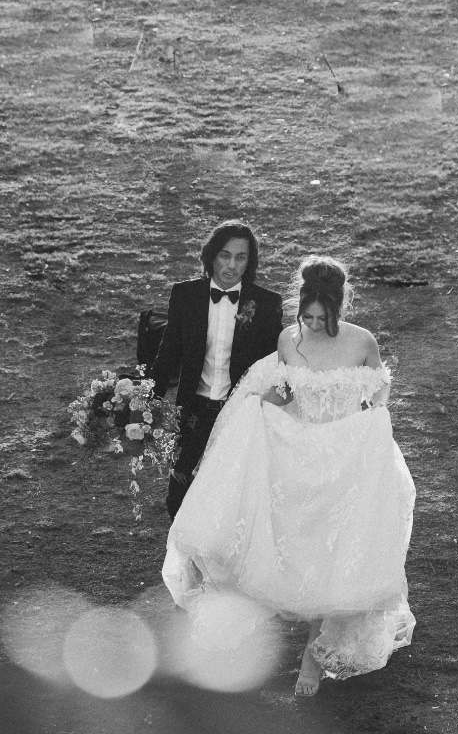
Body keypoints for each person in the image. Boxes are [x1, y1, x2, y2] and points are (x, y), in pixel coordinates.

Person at [162, 254, 415, 696]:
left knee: (326, 550)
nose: (313, 325)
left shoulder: (362, 342)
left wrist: (373, 411)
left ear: (339, 308)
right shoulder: (288, 340)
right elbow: (285, 388)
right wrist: (260, 406)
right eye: (307, 316)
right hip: (294, 449)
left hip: (342, 454)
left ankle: (311, 658)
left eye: (322, 317)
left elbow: (380, 385)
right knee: (284, 539)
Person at [151, 219, 284, 520]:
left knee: (230, 500)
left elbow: (272, 366)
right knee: (179, 496)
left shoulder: (266, 303)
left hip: (239, 414)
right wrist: (145, 402)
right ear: (211, 255)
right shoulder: (186, 296)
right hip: (193, 410)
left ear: (250, 262)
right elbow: (168, 354)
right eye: (225, 255)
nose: (232, 265)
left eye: (241, 257)